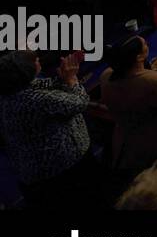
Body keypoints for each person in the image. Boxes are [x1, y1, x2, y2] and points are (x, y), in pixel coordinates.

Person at [0, 49, 97, 209]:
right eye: (36, 61)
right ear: (26, 71)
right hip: (63, 175)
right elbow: (80, 102)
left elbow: (45, 85)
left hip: (37, 175)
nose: (39, 61)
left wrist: (62, 77)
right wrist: (72, 79)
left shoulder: (12, 92)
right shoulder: (32, 100)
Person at [100, 36, 157, 172]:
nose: (148, 44)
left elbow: (139, 85)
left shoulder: (106, 76)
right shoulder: (156, 82)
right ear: (138, 57)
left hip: (131, 144)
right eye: (145, 44)